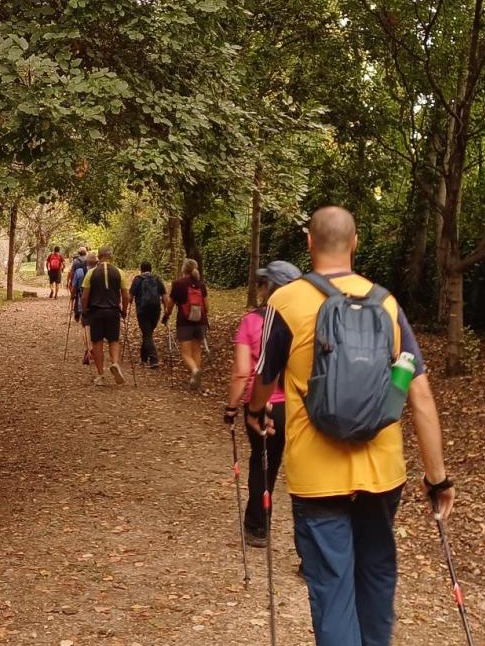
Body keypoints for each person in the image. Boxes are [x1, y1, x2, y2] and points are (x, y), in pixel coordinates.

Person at [247, 206, 455, 646]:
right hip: (382, 474)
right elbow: (419, 396)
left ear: (309, 243)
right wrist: (438, 479)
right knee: (376, 574)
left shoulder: (285, 302)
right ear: (355, 241)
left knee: (331, 586)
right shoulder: (386, 303)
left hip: (316, 476)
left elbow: (264, 378)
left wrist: (255, 411)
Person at [224, 260, 301, 548]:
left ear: (270, 288)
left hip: (263, 406)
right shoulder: (305, 321)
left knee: (262, 463)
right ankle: (310, 550)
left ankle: (258, 528)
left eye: (262, 283)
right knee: (299, 470)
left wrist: (232, 407)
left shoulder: (252, 321)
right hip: (298, 405)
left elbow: (243, 372)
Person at [80, 246, 130, 386]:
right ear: (111, 256)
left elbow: (85, 297)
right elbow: (125, 295)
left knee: (97, 342)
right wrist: (124, 310)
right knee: (114, 340)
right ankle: (114, 363)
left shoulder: (91, 273)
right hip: (113, 311)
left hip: (96, 312)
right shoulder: (119, 272)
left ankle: (101, 375)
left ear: (99, 257)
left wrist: (84, 312)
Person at [163, 258, 209, 390]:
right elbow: (207, 306)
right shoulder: (201, 284)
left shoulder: (178, 284)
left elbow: (170, 305)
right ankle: (194, 380)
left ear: (183, 269)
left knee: (185, 353)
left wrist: (166, 315)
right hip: (201, 321)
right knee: (197, 350)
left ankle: (194, 371)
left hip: (184, 322)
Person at [129, 262, 166, 367]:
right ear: (151, 269)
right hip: (156, 311)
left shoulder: (138, 280)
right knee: (148, 333)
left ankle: (154, 359)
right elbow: (164, 296)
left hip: (142, 311)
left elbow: (130, 297)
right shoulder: (157, 279)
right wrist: (167, 311)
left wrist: (126, 306)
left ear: (141, 269)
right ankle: (143, 358)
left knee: (147, 334)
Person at [71, 252, 94, 365]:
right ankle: (93, 347)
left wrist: (72, 298)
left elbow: (74, 287)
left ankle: (88, 348)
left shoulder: (79, 272)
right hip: (96, 303)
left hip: (82, 301)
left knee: (85, 326)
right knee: (94, 326)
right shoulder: (97, 272)